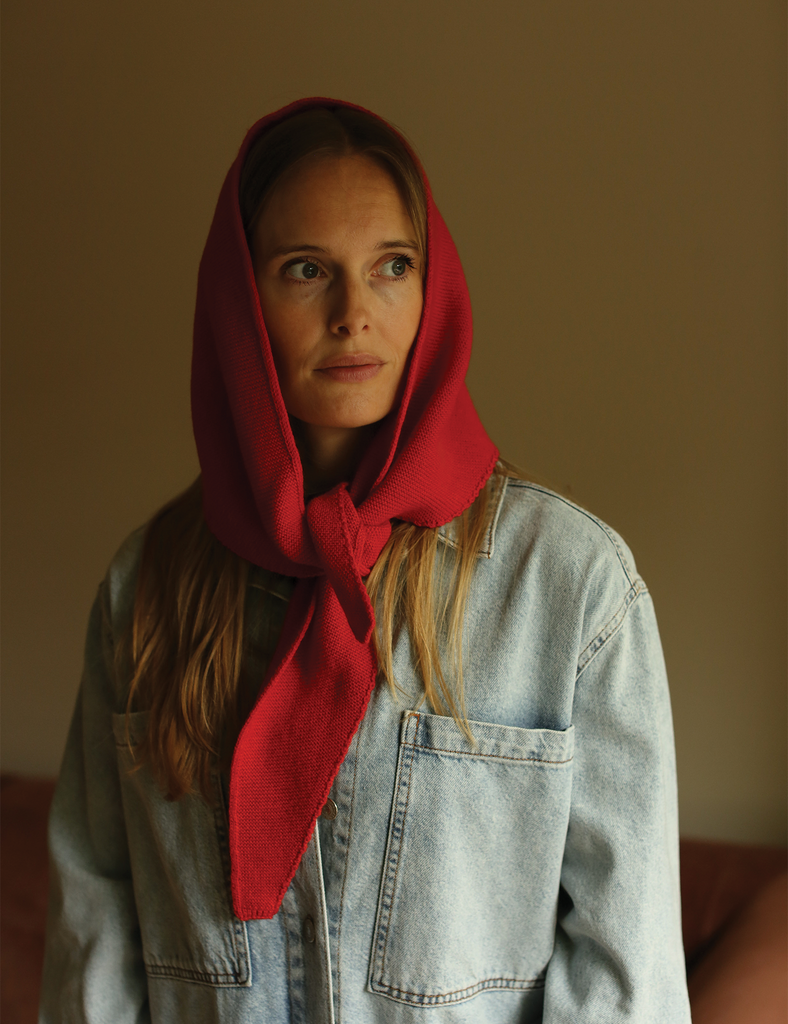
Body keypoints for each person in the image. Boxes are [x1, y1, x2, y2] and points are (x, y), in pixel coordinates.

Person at [39, 98, 691, 1023]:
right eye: (306, 270)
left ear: (434, 292)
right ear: (241, 300)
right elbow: (94, 936)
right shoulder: (145, 585)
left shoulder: (571, 588)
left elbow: (628, 979)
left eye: (392, 266)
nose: (354, 313)